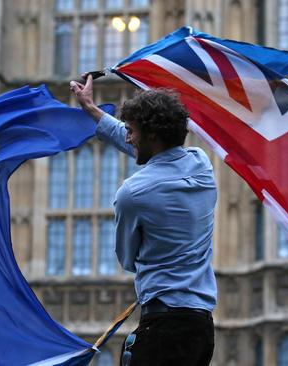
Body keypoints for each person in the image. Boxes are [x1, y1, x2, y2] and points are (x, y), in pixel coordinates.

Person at [70, 74, 217, 366]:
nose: (127, 138)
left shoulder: (133, 193)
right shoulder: (201, 165)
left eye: (131, 131)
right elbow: (155, 154)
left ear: (151, 136)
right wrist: (92, 109)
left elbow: (127, 259)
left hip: (163, 327)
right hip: (201, 327)